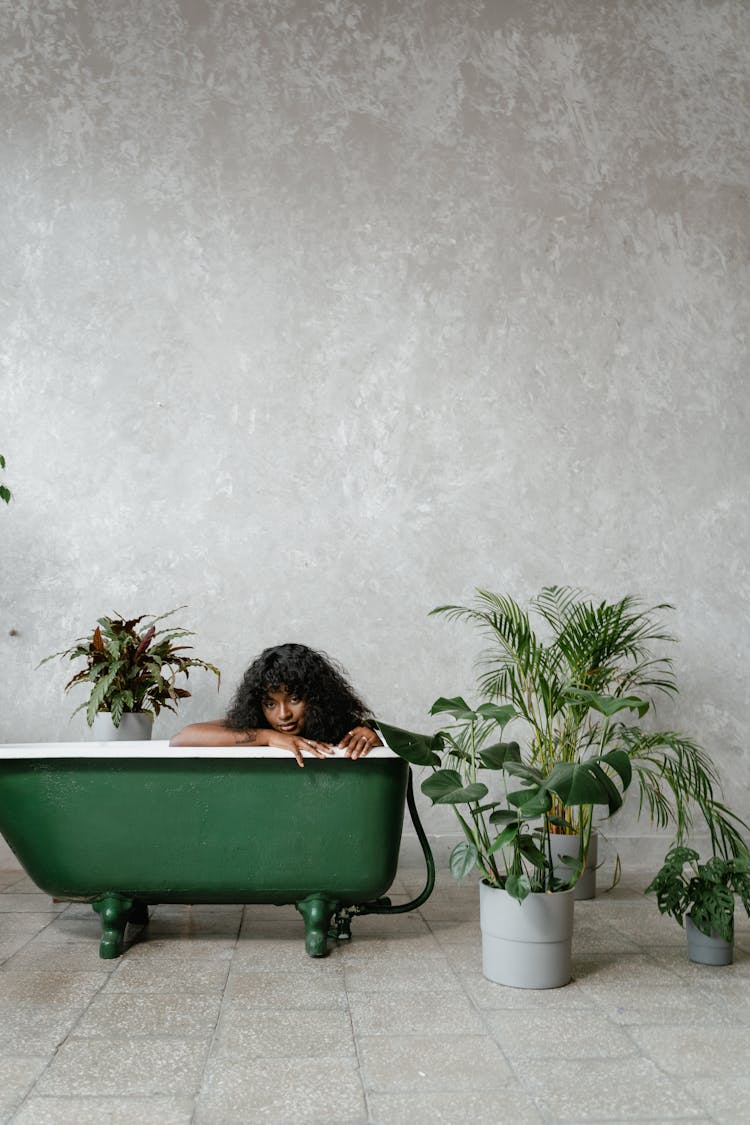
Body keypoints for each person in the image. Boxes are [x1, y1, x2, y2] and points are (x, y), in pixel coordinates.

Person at [169, 642, 382, 767]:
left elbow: (381, 757)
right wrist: (268, 737)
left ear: (317, 697)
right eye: (270, 704)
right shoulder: (261, 724)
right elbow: (183, 738)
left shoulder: (342, 727)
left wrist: (373, 740)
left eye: (294, 699)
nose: (283, 715)